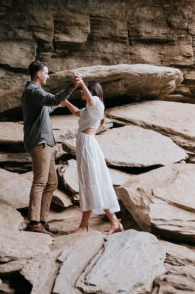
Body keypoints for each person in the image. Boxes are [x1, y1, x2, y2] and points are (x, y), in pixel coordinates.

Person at [22, 60, 80, 235]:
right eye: (46, 73)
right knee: (40, 182)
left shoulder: (35, 93)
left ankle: (43, 220)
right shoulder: (33, 91)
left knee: (52, 183)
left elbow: (47, 108)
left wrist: (58, 104)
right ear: (38, 74)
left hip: (46, 142)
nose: (47, 76)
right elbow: (53, 99)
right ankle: (34, 221)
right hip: (40, 143)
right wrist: (73, 86)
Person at [60, 80, 123, 235]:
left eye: (84, 90)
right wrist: (67, 103)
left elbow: (89, 98)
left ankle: (84, 225)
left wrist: (81, 83)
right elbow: (77, 112)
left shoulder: (96, 103)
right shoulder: (90, 108)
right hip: (85, 146)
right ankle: (114, 221)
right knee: (92, 182)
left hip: (88, 146)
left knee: (89, 182)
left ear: (91, 91)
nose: (81, 92)